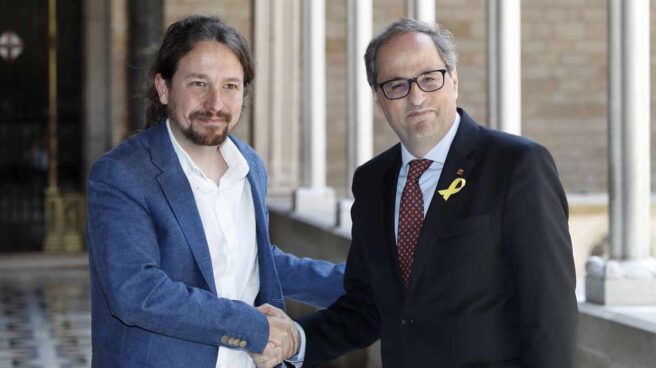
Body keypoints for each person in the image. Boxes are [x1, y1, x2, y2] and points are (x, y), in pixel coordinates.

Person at [294, 18, 578, 367]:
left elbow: (550, 312)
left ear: (454, 79)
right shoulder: (371, 182)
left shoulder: (516, 165)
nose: (416, 97)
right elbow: (367, 307)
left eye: (429, 78)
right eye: (397, 85)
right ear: (378, 98)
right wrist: (293, 341)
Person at [85, 15, 344, 368]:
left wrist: (360, 283)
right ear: (163, 88)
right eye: (198, 83)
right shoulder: (122, 174)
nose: (215, 104)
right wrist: (255, 327)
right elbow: (137, 292)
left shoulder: (249, 165)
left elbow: (254, 262)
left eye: (230, 86)